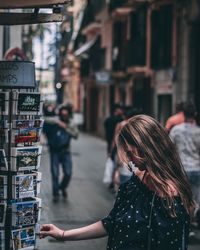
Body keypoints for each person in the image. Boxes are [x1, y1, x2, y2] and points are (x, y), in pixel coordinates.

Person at [40, 115, 195, 249]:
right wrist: (63, 234)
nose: (128, 160)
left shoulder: (171, 199)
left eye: (130, 153)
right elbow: (111, 223)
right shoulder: (135, 182)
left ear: (146, 149)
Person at [170, 103, 200, 229]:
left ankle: (184, 224)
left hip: (181, 169)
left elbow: (169, 148)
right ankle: (192, 222)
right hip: (196, 168)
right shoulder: (198, 131)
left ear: (183, 114)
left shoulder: (176, 130)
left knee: (182, 198)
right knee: (195, 198)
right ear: (195, 114)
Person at [43, 104, 78, 202]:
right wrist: (57, 122)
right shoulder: (54, 121)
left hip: (66, 151)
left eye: (66, 115)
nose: (64, 116)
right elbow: (44, 119)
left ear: (68, 115)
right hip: (54, 151)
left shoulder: (71, 124)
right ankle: (56, 193)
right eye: (62, 114)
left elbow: (76, 135)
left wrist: (65, 127)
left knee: (68, 173)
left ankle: (62, 187)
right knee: (55, 173)